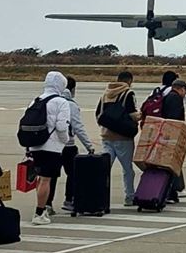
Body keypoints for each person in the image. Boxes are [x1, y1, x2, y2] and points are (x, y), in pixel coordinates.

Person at [29, 71, 70, 225]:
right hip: (51, 146)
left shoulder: (36, 100)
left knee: (40, 178)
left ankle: (42, 208)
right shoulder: (61, 102)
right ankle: (39, 212)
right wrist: (65, 141)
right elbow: (61, 126)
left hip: (35, 145)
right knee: (47, 179)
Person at [96, 71, 140, 207]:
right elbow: (132, 114)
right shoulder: (128, 93)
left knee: (104, 169)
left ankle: (100, 196)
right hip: (123, 137)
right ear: (129, 81)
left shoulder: (105, 93)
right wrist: (140, 116)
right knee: (127, 169)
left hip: (106, 136)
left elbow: (98, 114)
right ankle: (129, 197)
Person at [59, 76, 95, 213]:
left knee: (48, 177)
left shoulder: (47, 100)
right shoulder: (70, 104)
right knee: (73, 174)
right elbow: (78, 127)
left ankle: (46, 204)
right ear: (72, 89)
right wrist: (89, 146)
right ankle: (69, 200)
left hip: (51, 146)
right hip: (68, 145)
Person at [160, 80, 186, 202]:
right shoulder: (175, 98)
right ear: (181, 89)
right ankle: (174, 189)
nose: (184, 96)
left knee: (171, 163)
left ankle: (172, 191)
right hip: (171, 136)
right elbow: (174, 119)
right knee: (173, 163)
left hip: (166, 134)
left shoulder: (167, 96)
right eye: (185, 92)